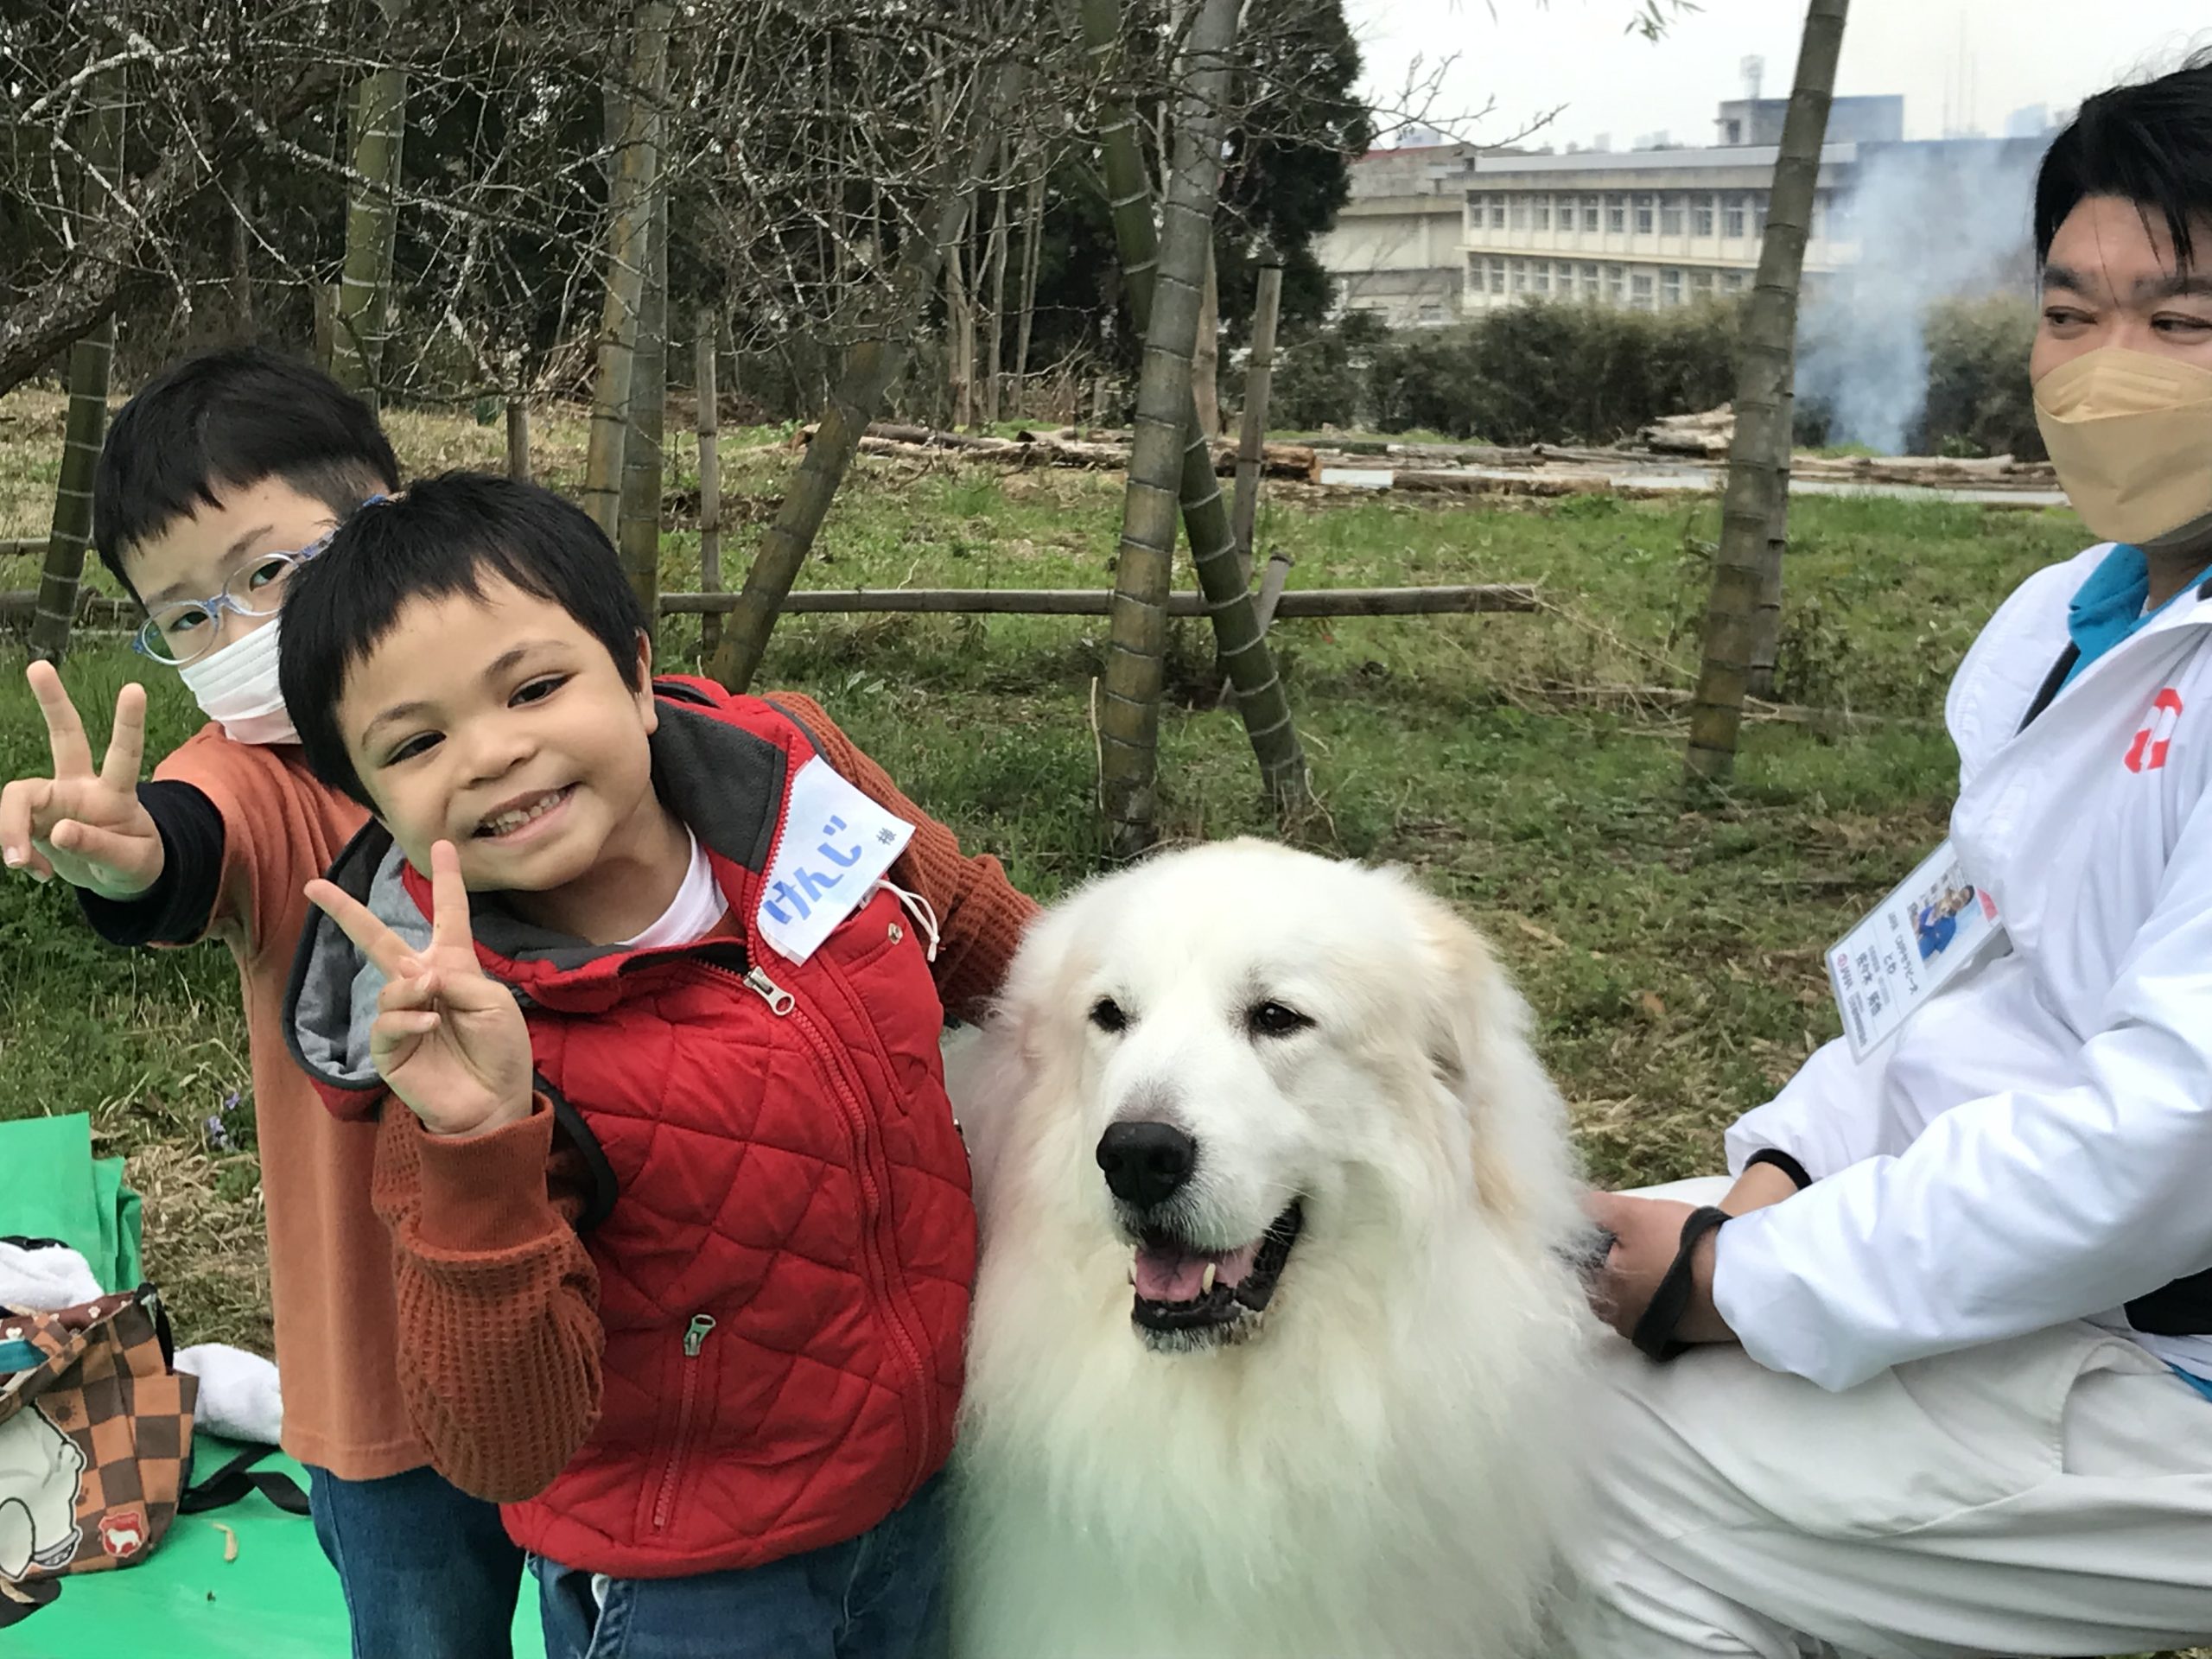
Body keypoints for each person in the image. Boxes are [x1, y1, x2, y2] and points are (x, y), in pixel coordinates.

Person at [1571, 54, 2212, 1658]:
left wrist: (1741, 1285)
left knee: (1579, 1482)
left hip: (2171, 1345)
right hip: (2043, 1266)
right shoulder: (2068, 627)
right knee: (1495, 1350)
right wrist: (1778, 1176)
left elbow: (2166, 1143)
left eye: (2182, 323)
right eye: (2071, 315)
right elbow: (1945, 969)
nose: (2107, 374)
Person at [272, 473, 1036, 1659]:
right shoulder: (459, 1043)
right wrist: (481, 1149)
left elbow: (985, 942)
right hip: (697, 1595)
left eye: (532, 687)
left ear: (634, 675)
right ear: (364, 798)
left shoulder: (787, 775)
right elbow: (499, 1449)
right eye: (416, 743)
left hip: (930, 1499)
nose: (494, 753)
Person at [0, 348, 528, 1659]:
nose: (234, 632)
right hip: (384, 1376)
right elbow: (188, 841)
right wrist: (122, 862)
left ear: (384, 518)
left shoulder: (526, 733)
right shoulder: (249, 773)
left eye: (267, 572)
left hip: (584, 1334)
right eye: (184, 616)